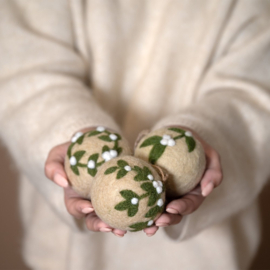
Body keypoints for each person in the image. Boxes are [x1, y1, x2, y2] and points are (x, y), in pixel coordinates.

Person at [0, 0, 269, 269]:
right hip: (67, 253)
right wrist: (75, 132)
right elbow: (21, 64)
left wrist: (203, 137)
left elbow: (256, 87)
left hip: (204, 255)